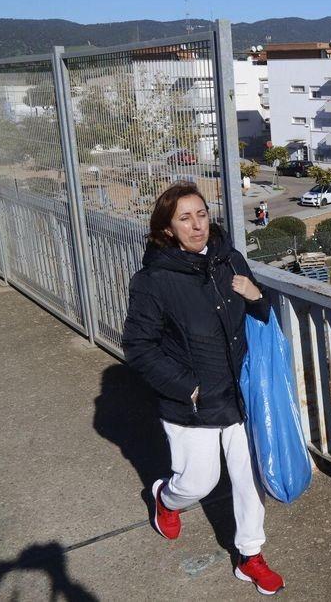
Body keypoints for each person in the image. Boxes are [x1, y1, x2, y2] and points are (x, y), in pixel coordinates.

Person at [122, 182, 285, 596]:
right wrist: (186, 387)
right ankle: (166, 499)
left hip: (240, 394)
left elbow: (261, 314)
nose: (197, 225)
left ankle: (250, 555)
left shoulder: (230, 259)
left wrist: (257, 296)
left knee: (250, 478)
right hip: (192, 403)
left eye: (201, 214)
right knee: (198, 483)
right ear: (167, 230)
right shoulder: (153, 281)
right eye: (185, 218)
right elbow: (139, 346)